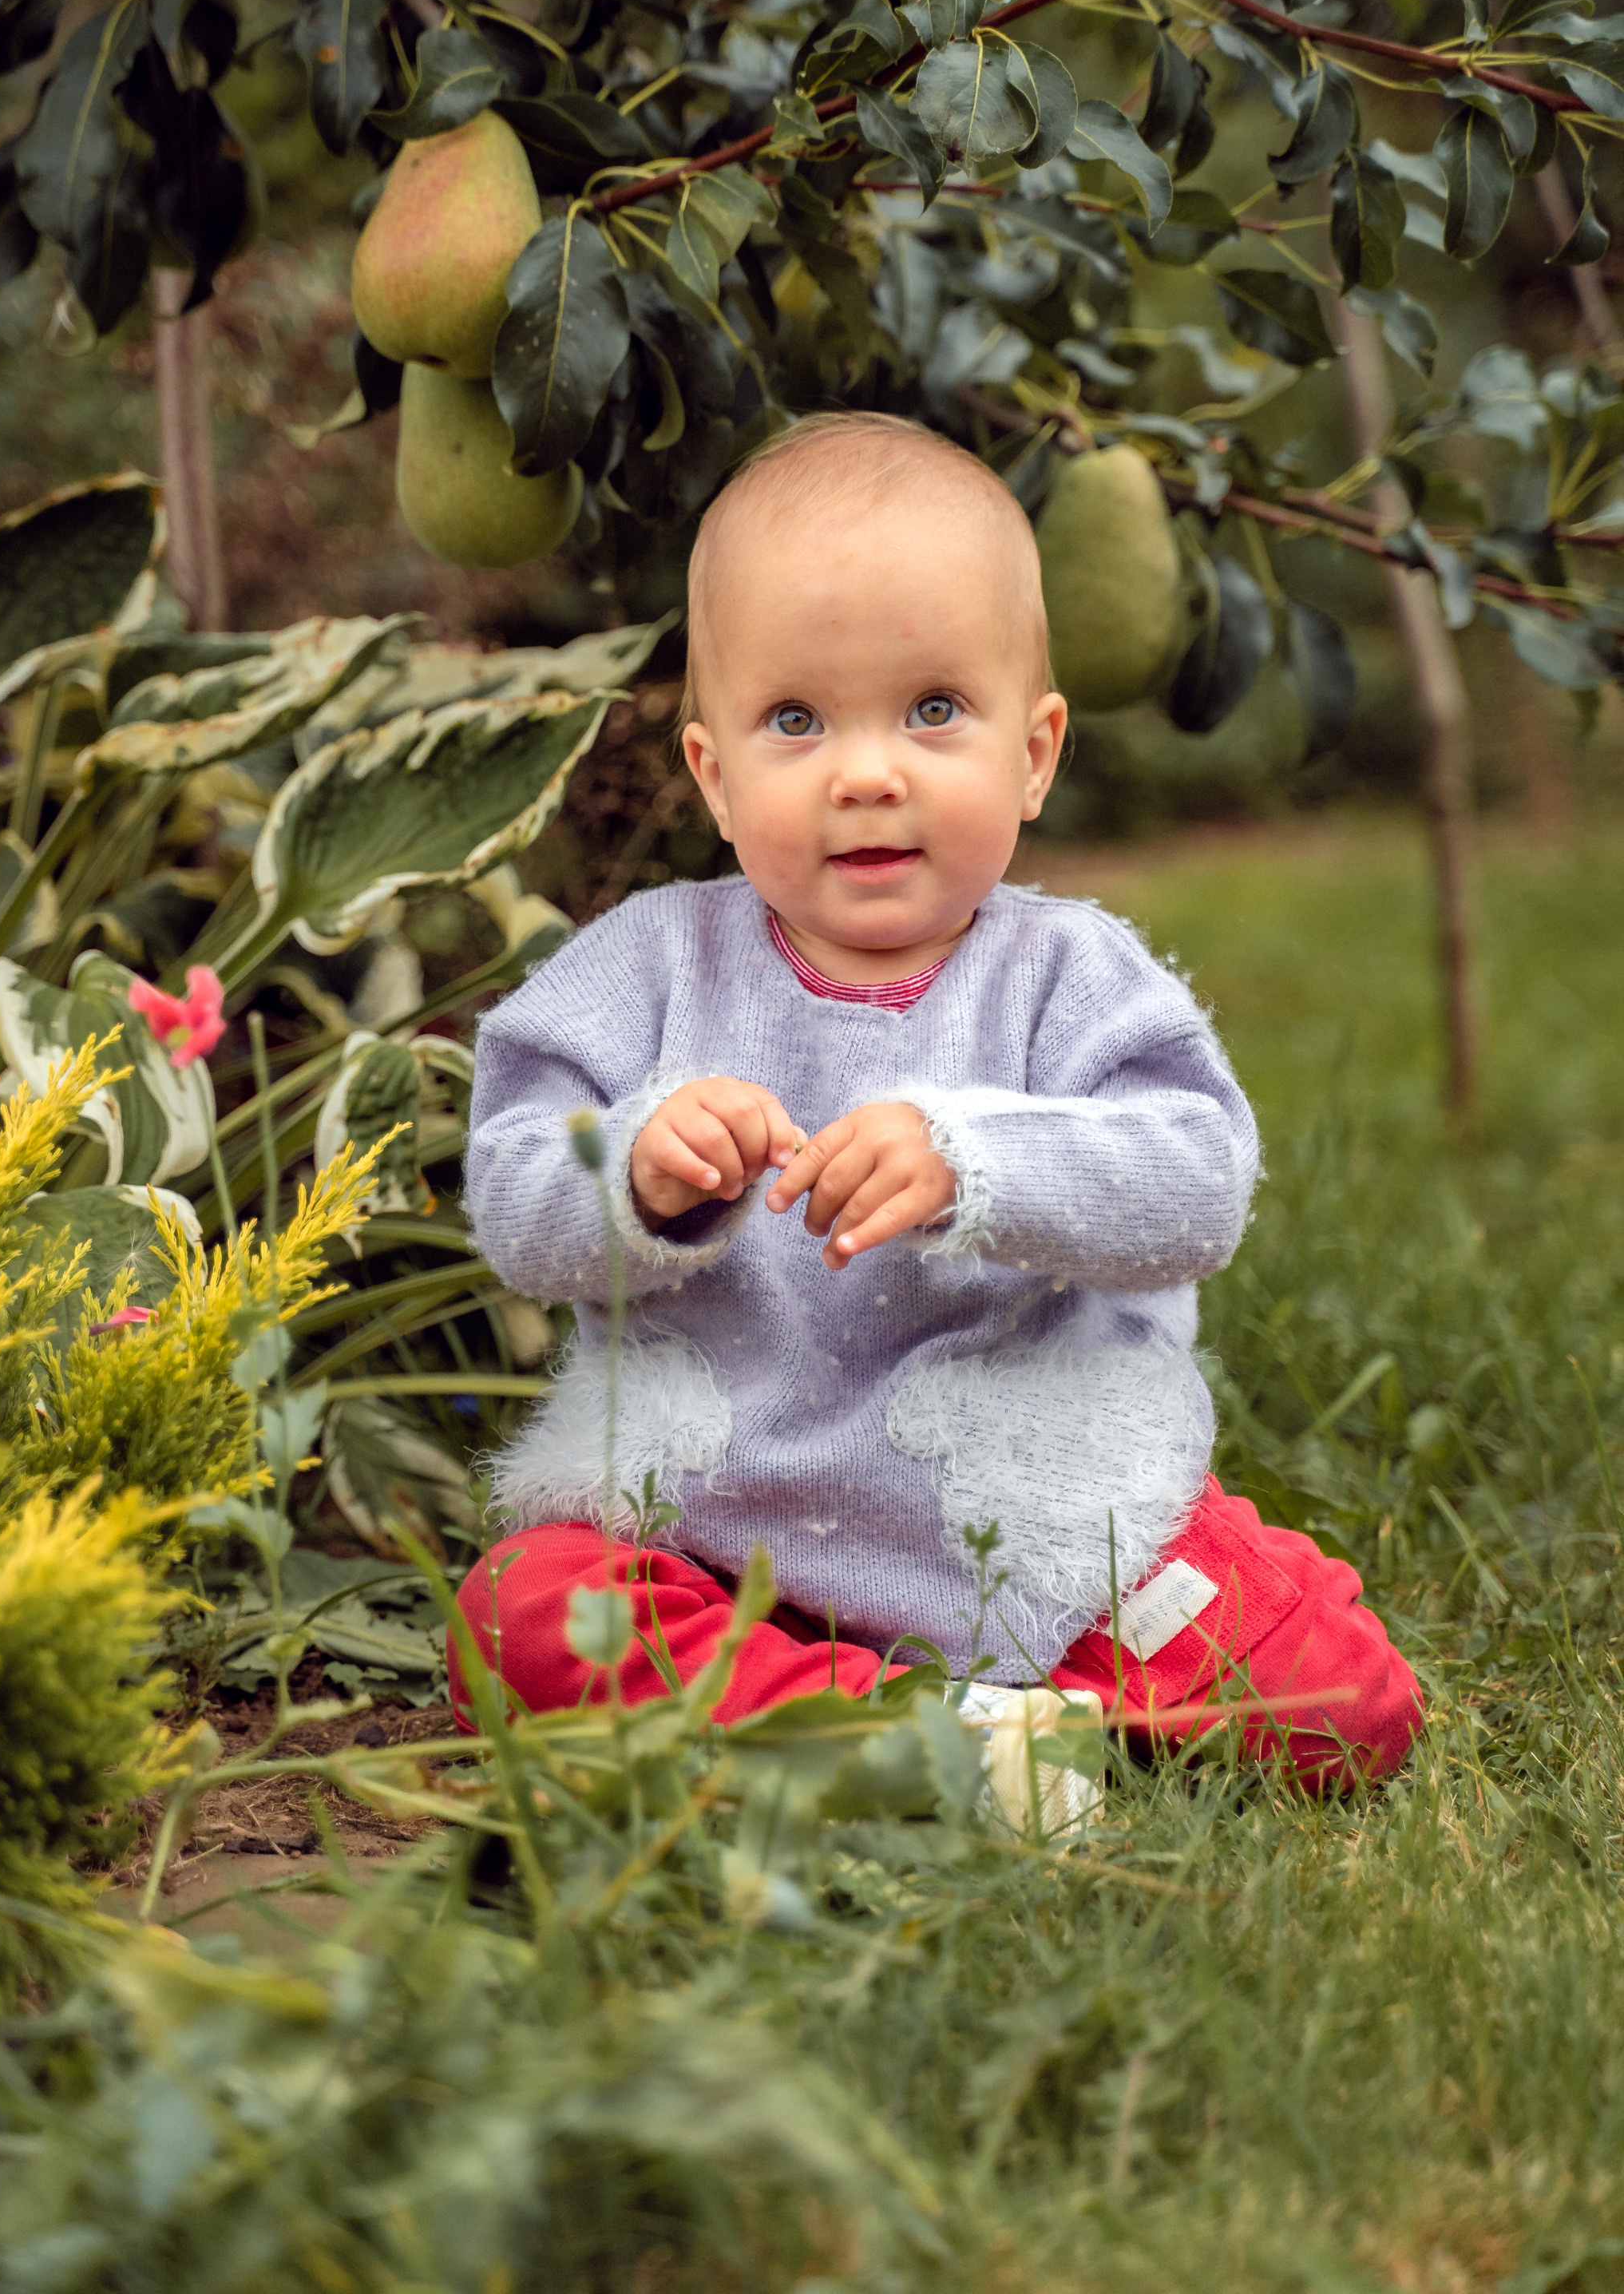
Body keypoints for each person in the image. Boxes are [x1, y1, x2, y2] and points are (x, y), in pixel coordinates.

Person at [451, 412, 1423, 1794]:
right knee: (522, 1615)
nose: (867, 770)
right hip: (725, 1545)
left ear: (1034, 754)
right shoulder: (646, 971)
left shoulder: (1069, 972)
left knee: (1340, 1696)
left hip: (1042, 1531)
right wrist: (637, 1173)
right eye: (796, 720)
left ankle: (948, 1718)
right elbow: (512, 1196)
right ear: (714, 775)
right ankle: (937, 1735)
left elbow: (1196, 1180)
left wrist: (981, 1163)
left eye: (932, 712)